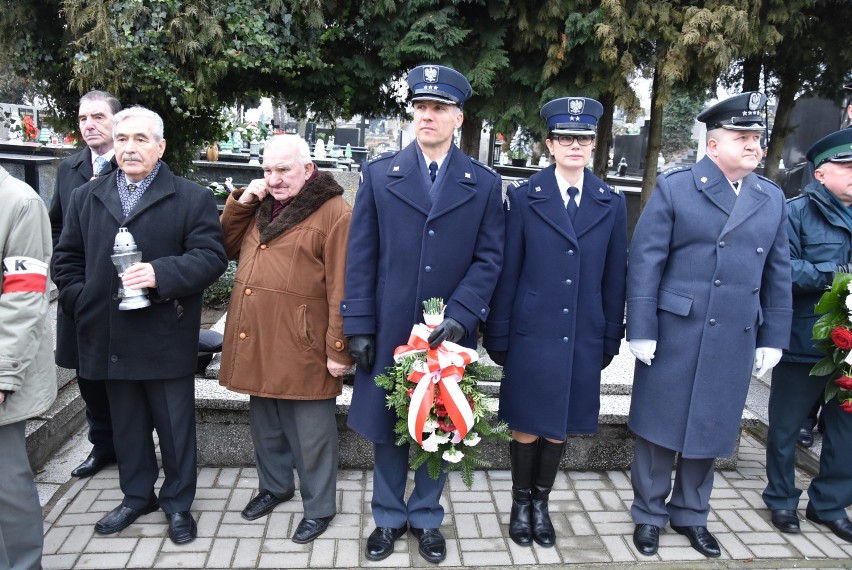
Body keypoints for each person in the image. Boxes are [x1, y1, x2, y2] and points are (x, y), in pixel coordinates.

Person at [341, 64, 504, 564]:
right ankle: (389, 517)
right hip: (392, 329)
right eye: (421, 107)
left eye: (438, 108)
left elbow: (489, 256)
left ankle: (427, 517)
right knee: (393, 424)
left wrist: (463, 312)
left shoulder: (483, 182)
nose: (427, 116)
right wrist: (359, 325)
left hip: (449, 334)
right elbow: (361, 255)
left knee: (441, 420)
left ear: (458, 117)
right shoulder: (379, 174)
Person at [626, 92, 793, 558]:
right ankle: (649, 514)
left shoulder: (771, 197)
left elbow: (778, 271)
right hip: (679, 329)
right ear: (713, 144)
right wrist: (640, 326)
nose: (753, 145)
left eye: (756, 138)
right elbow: (646, 260)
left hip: (735, 332)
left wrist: (774, 336)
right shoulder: (678, 187)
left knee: (712, 425)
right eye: (742, 137)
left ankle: (692, 514)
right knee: (661, 428)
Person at [52, 106, 227, 545]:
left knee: (174, 428)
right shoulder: (86, 197)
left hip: (165, 331)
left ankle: (178, 503)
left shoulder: (191, 197)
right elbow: (67, 259)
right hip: (109, 334)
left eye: (141, 139)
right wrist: (80, 301)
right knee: (126, 425)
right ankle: (136, 496)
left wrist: (160, 274)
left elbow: (210, 257)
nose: (130, 148)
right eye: (123, 138)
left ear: (160, 146)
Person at [483, 97, 627, 547]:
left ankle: (541, 504)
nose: (576, 145)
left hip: (581, 334)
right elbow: (509, 271)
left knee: (559, 422)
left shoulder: (610, 202)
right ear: (549, 144)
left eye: (584, 138)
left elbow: (614, 276)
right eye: (566, 137)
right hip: (533, 332)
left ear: (594, 144)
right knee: (526, 420)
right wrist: (500, 331)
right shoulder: (526, 198)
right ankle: (519, 502)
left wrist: (609, 336)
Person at [218, 134, 352, 543]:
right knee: (266, 425)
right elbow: (224, 245)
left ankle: (319, 507)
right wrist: (242, 202)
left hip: (304, 343)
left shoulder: (335, 212)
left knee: (312, 434)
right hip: (257, 336)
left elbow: (342, 286)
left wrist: (337, 349)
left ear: (308, 170)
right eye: (267, 171)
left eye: (283, 170)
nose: (274, 179)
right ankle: (275, 487)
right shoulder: (259, 205)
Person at [762, 128, 852, 543]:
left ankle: (829, 504)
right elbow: (783, 269)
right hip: (806, 340)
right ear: (820, 173)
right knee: (785, 426)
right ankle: (781, 498)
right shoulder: (795, 212)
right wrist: (835, 278)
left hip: (849, 350)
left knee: (844, 429)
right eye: (846, 166)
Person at [48, 89, 121, 479]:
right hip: (80, 292)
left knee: (118, 376)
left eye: (98, 117)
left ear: (116, 121)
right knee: (87, 375)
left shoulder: (131, 166)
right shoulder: (69, 169)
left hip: (118, 292)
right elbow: (57, 223)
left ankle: (130, 446)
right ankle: (101, 446)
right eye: (82, 119)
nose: (89, 125)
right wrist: (68, 278)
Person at [0, 167, 57, 570]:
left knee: (6, 484)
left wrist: (4, 374)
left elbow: (22, 299)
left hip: (4, 366)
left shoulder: (19, 203)